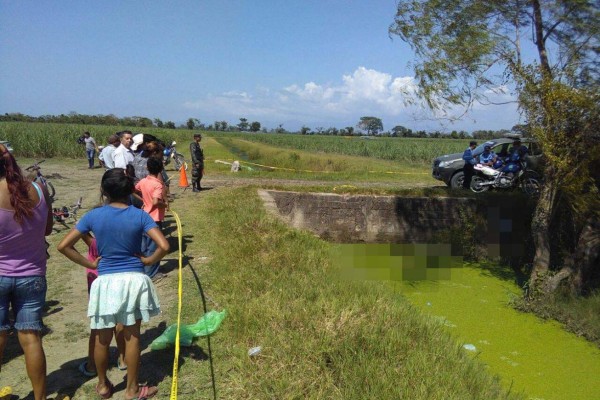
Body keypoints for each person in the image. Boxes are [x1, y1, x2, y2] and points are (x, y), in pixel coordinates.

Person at [57, 168, 168, 400]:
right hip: (133, 280)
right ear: (129, 191)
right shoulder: (139, 215)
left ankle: (103, 385)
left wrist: (91, 263)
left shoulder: (93, 216)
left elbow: (63, 246)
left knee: (101, 336)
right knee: (133, 335)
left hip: (105, 281)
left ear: (103, 191)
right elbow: (164, 246)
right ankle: (132, 389)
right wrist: (148, 260)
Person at [0, 143, 53, 400]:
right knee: (31, 337)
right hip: (32, 274)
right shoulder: (38, 189)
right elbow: (47, 229)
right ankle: (40, 397)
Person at [135, 157, 168, 279]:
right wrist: (164, 204)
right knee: (154, 246)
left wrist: (143, 200)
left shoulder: (143, 181)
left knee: (144, 246)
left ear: (147, 168)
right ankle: (151, 273)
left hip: (143, 216)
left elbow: (133, 189)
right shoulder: (158, 185)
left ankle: (144, 268)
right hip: (154, 219)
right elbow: (155, 202)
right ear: (160, 169)